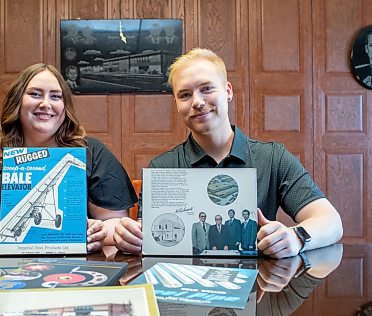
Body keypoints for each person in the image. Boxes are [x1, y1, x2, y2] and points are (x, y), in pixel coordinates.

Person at [114, 48, 343, 258]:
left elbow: (331, 222)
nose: (198, 102)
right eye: (184, 95)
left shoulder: (273, 158)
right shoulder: (162, 168)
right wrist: (130, 238)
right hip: (184, 294)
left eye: (207, 89)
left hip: (257, 291)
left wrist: (296, 237)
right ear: (176, 103)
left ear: (228, 91)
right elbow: (147, 238)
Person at [0, 63, 138, 254]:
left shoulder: (90, 152)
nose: (46, 104)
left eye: (55, 96)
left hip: (76, 272)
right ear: (17, 101)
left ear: (65, 106)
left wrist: (101, 233)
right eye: (35, 94)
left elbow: (116, 222)